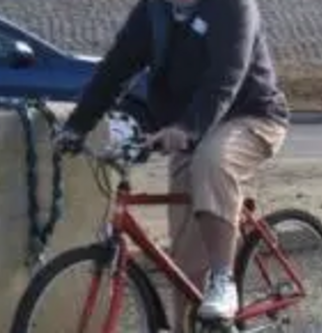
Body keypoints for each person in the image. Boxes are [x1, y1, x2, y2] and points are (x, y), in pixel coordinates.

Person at [54, 0, 290, 330]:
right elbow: (115, 69)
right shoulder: (154, 11)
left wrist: (188, 129)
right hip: (192, 128)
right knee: (185, 259)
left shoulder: (232, 7)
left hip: (251, 117)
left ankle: (224, 281)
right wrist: (76, 126)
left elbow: (225, 77)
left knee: (211, 160)